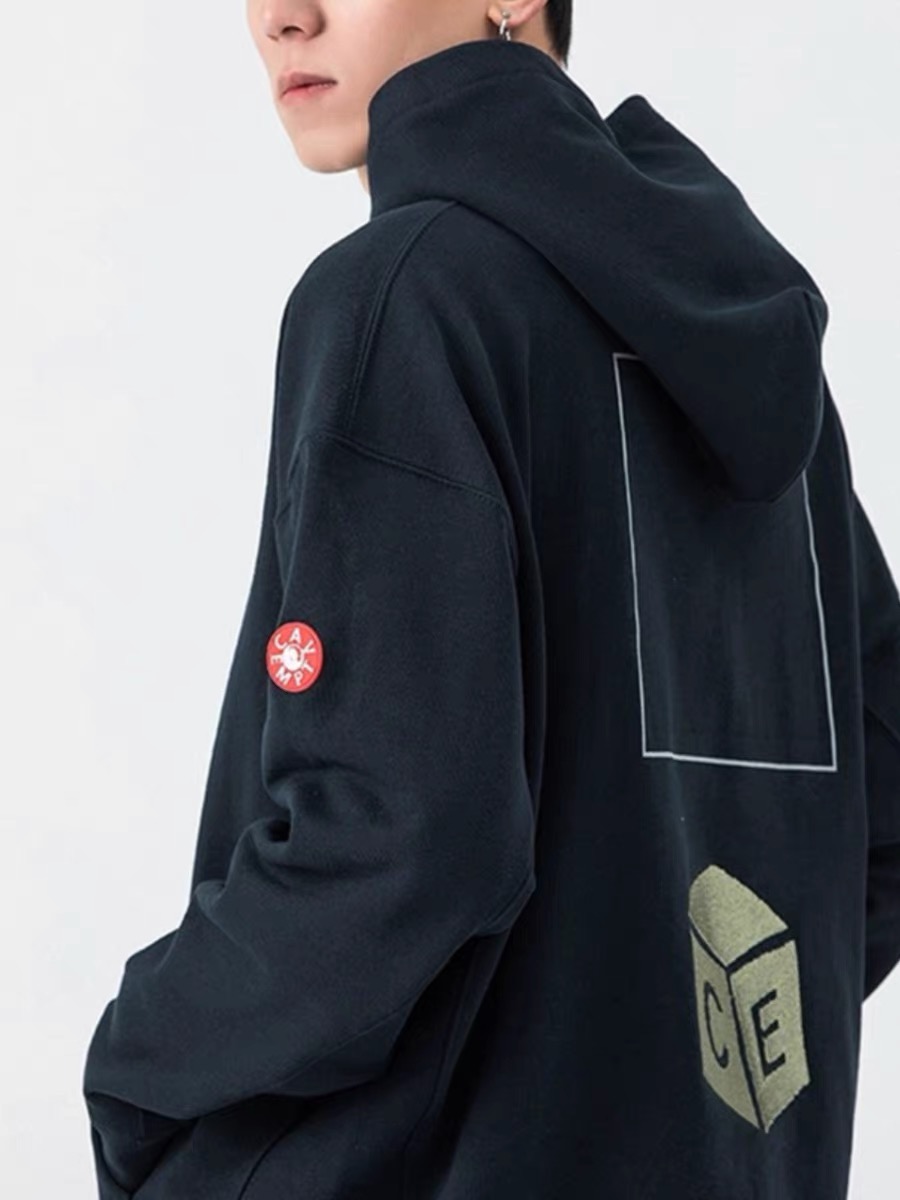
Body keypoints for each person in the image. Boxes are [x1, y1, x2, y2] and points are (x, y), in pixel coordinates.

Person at [82, 3, 900, 1198]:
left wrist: (141, 1063)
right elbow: (881, 788)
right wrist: (670, 1058)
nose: (279, 15)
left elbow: (395, 853)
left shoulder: (406, 294)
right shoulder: (749, 353)